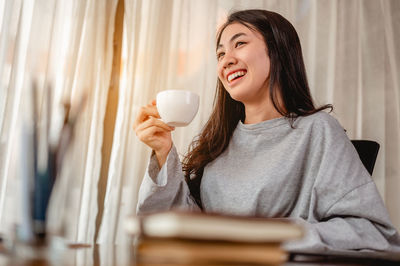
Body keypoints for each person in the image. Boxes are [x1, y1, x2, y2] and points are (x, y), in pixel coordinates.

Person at [133, 9, 400, 252]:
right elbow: (176, 228)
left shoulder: (318, 130)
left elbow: (372, 233)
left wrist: (269, 236)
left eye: (239, 44)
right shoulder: (217, 143)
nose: (226, 61)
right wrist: (163, 151)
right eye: (220, 53)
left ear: (278, 51)